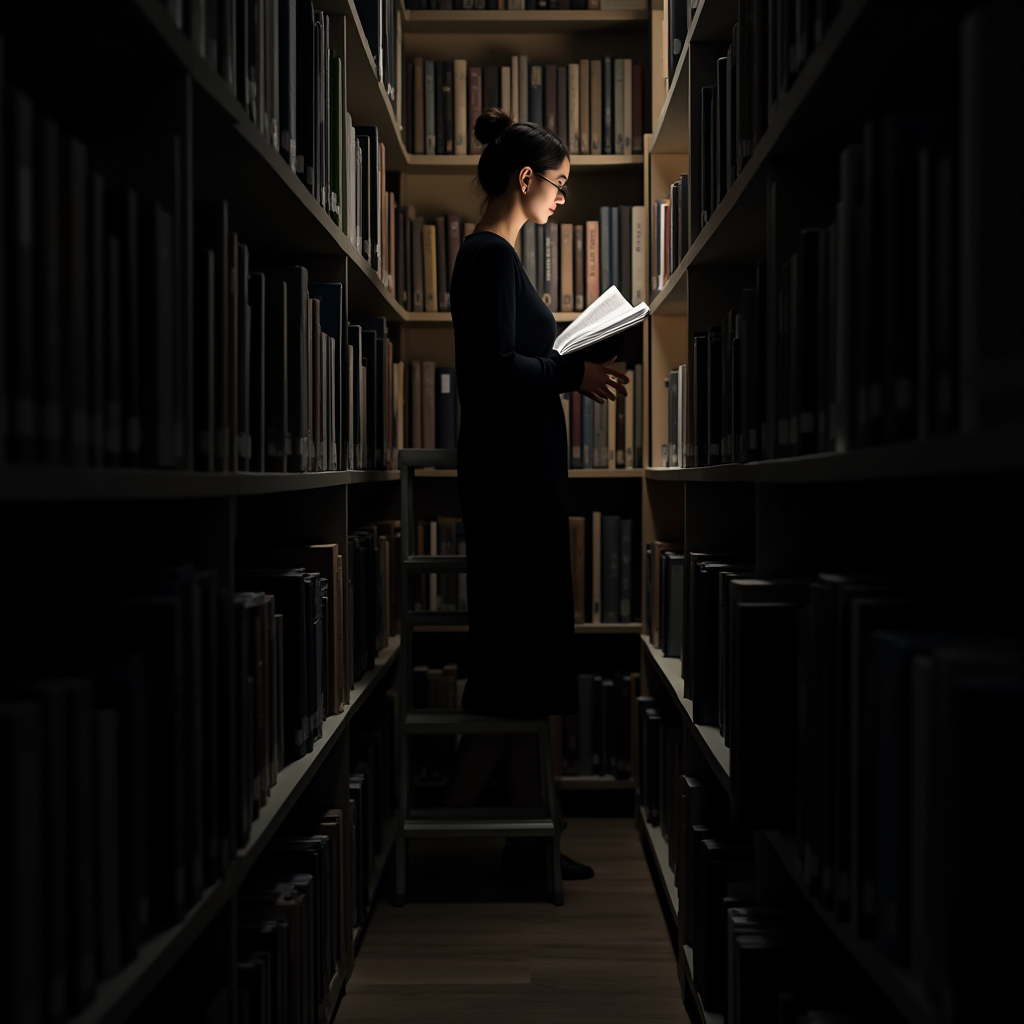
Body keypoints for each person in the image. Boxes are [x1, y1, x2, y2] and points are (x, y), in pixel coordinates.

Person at [442, 107, 629, 881]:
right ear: (525, 179)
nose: (563, 201)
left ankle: (528, 839)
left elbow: (512, 359)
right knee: (513, 670)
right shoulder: (487, 258)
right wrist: (571, 371)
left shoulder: (500, 260)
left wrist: (565, 361)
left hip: (520, 483)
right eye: (558, 185)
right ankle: (438, 836)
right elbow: (490, 372)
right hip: (511, 492)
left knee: (522, 670)